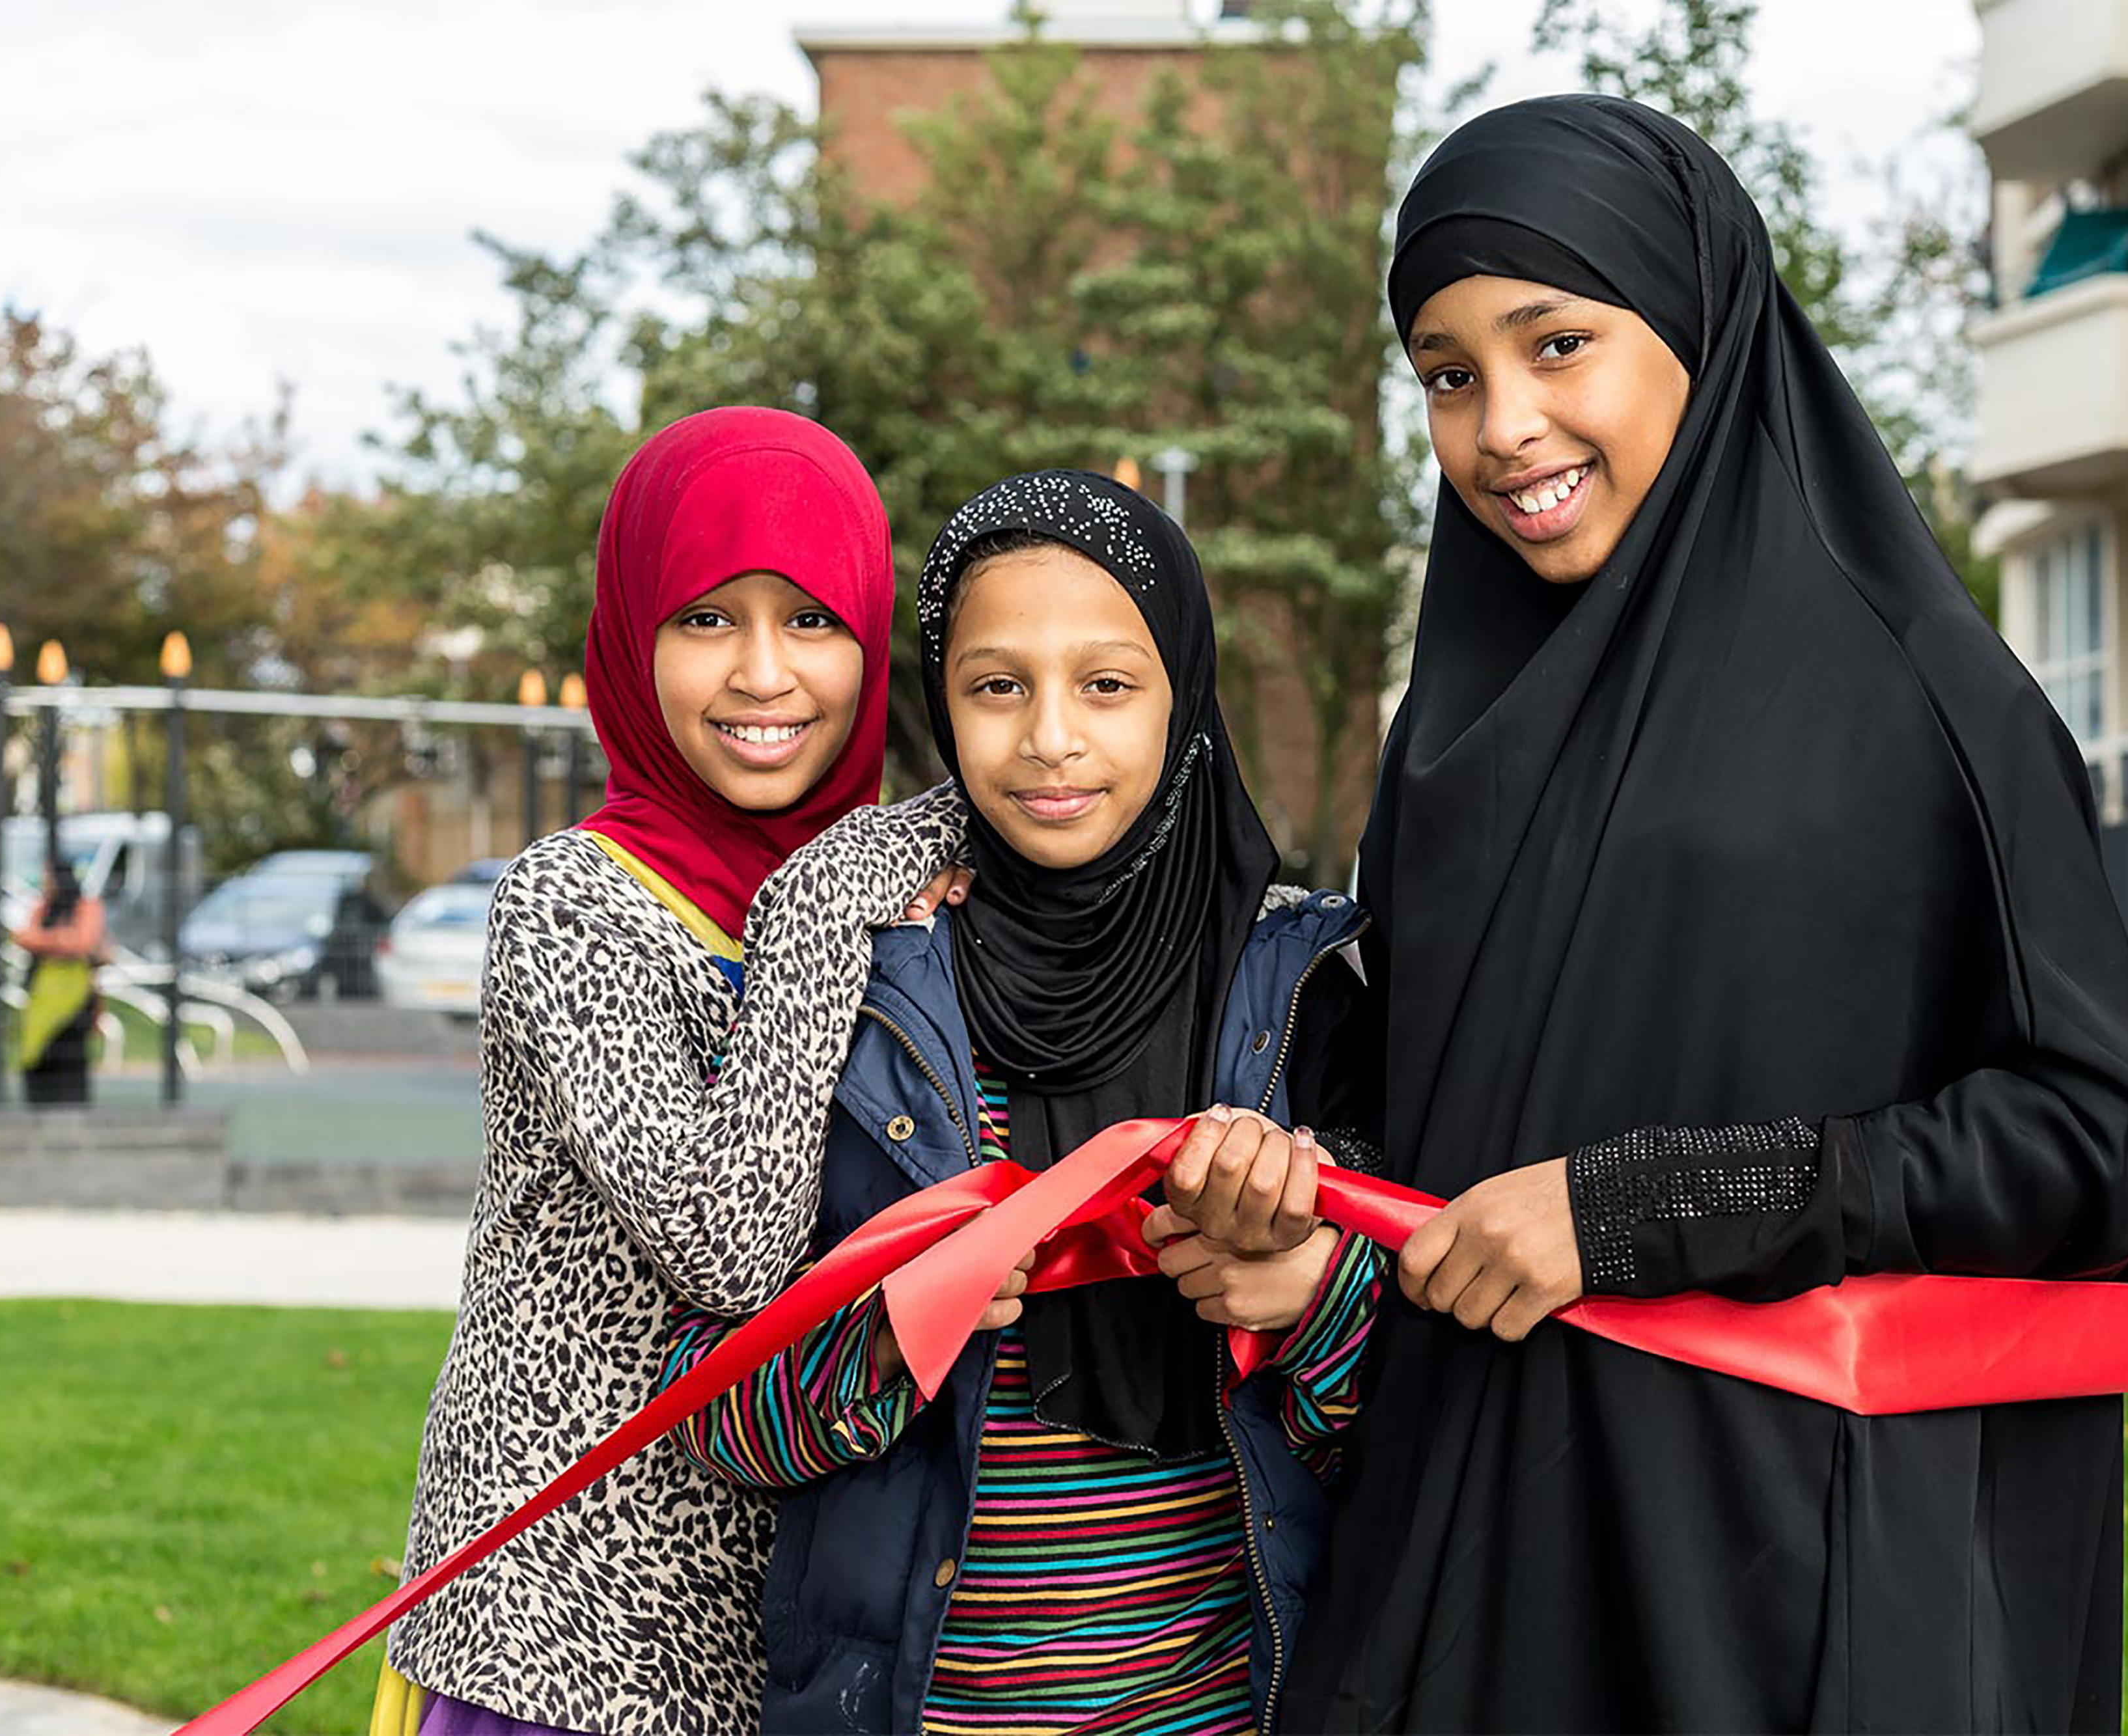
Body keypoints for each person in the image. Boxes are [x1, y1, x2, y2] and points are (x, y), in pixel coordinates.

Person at [1271, 96, 2128, 1733]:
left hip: (1788, 1589)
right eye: (1448, 372)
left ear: (1697, 327)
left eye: (1558, 345)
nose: (1502, 429)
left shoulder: (1921, 702)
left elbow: (2096, 1144)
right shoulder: (1456, 736)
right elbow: (1418, 1120)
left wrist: (1646, 1207)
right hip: (1472, 1572)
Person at [655, 469, 1385, 1736]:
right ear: (941, 703)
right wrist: (881, 1331)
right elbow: (711, 1413)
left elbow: (1434, 1404)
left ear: (1185, 697)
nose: (1050, 735)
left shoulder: (1313, 987)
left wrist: (1314, 1295)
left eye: (1106, 683)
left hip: (1229, 1707)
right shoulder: (852, 989)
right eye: (997, 685)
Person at [381, 407, 965, 1736]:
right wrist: (821, 909)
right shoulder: (571, 904)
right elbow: (730, 1245)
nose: (763, 673)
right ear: (633, 630)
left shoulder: (903, 886)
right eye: (707, 618)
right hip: (564, 1627)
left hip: (799, 1607)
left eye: (811, 620)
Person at [12, 860, 105, 1105]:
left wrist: (50, 941)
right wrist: (61, 939)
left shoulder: (86, 906)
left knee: (69, 1053)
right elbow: (23, 936)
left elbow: (83, 941)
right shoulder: (43, 908)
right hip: (44, 993)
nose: (46, 884)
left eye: (49, 878)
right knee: (38, 1049)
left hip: (76, 997)